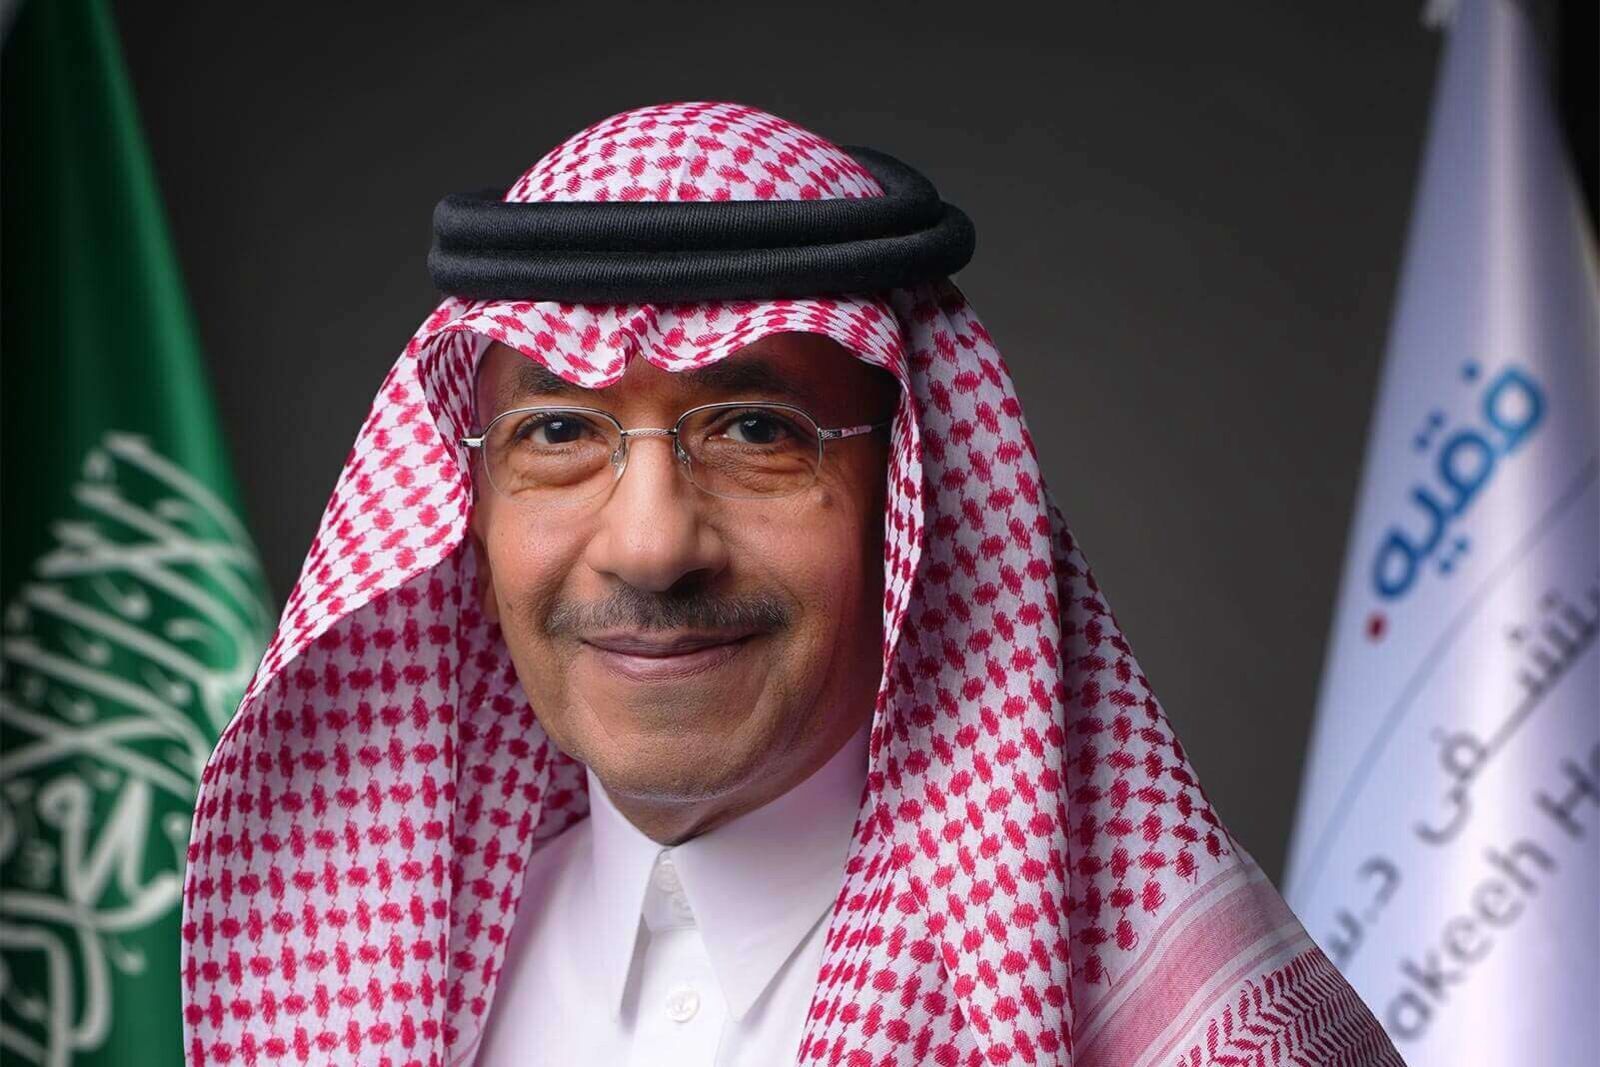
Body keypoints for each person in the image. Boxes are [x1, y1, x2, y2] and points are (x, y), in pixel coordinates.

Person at [180, 101, 1402, 1066]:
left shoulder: (1190, 1031)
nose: (650, 545)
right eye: (557, 432)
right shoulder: (392, 997)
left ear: (911, 495)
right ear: (472, 504)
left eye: (756, 430)